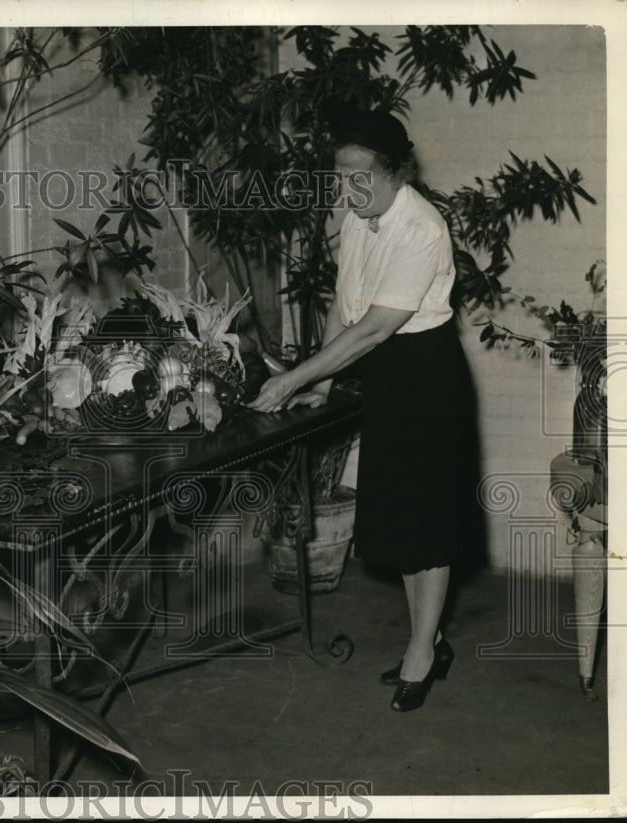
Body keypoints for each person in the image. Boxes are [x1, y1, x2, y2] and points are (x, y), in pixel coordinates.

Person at [248, 104, 481, 712]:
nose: (348, 190)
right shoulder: (357, 215)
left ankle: (423, 653)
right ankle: (427, 639)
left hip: (426, 378)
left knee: (427, 525)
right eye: (340, 177)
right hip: (385, 374)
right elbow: (343, 306)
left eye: (361, 178)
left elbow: (377, 328)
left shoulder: (422, 228)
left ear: (396, 173)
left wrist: (296, 376)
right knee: (404, 520)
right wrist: (324, 382)